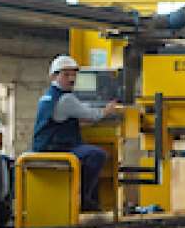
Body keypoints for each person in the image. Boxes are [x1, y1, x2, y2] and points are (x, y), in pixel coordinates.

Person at [31, 55, 119, 211]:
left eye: (74, 75)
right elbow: (93, 114)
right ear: (54, 76)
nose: (72, 79)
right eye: (66, 75)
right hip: (56, 148)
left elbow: (62, 120)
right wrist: (108, 110)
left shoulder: (46, 97)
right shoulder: (66, 99)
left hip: (44, 146)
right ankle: (82, 196)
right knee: (97, 155)